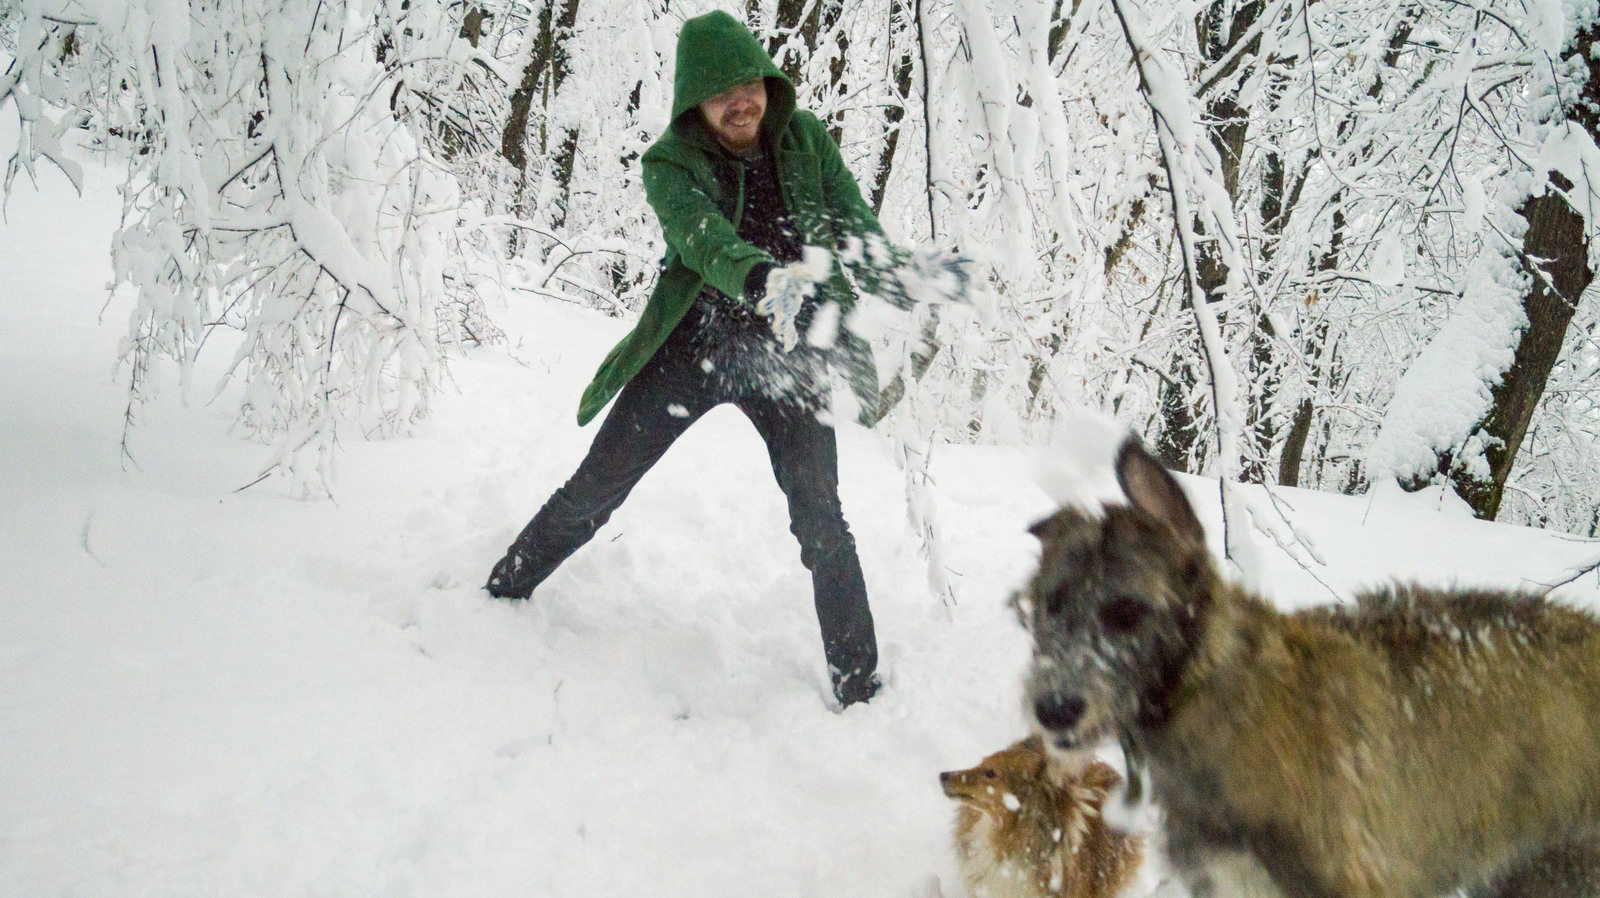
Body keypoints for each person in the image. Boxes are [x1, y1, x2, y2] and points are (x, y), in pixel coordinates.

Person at [485, 10, 908, 708]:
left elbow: (854, 221)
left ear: (767, 83)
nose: (740, 102)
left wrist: (901, 282)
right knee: (598, 487)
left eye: (749, 84)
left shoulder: (803, 139)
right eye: (721, 94)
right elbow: (700, 238)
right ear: (695, 105)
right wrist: (765, 279)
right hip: (695, 350)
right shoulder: (671, 163)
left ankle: (860, 689)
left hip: (788, 361)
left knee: (822, 519)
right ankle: (505, 588)